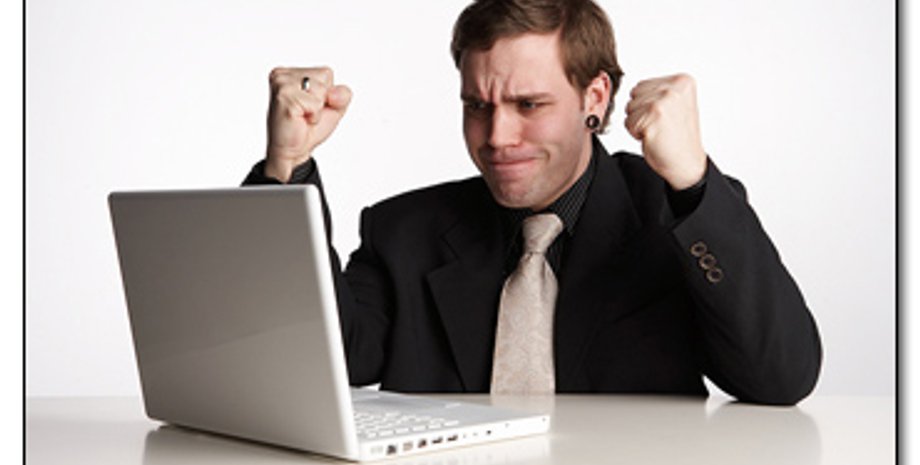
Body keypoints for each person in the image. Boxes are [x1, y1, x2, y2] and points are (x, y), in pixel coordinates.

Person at [243, 0, 822, 405]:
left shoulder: (675, 213)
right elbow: (316, 363)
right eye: (477, 106)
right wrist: (285, 167)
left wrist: (692, 180)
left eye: (528, 105)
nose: (497, 137)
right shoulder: (403, 231)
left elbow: (780, 377)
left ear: (595, 96)